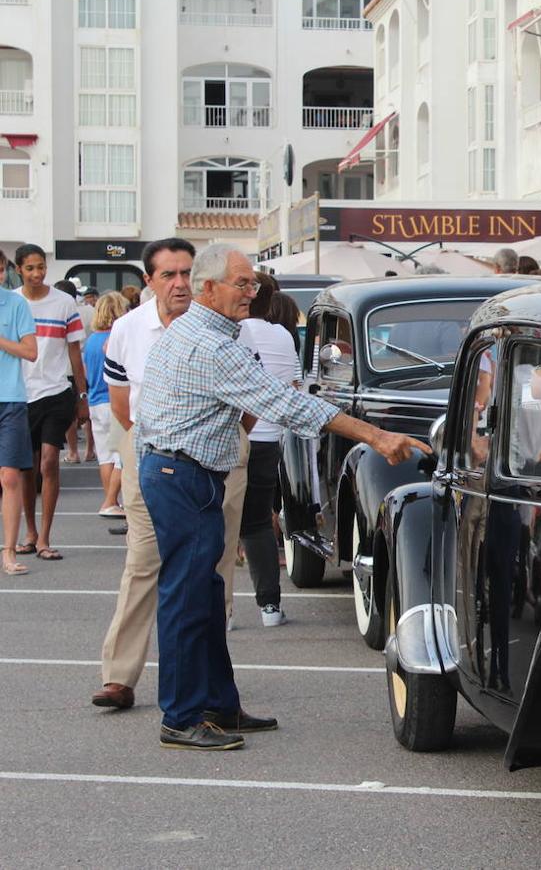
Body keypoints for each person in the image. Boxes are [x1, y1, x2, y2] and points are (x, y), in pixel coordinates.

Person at [134, 244, 426, 750]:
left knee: (203, 597)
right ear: (209, 289)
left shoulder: (205, 333)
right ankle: (181, 717)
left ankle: (217, 706)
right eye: (242, 284)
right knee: (188, 600)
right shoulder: (211, 345)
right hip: (182, 476)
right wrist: (376, 436)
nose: (253, 293)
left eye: (254, 284)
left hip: (180, 472)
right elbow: (285, 403)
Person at [91, 238, 248, 711]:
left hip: (218, 455)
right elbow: (120, 401)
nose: (179, 283)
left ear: (201, 279)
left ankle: (205, 684)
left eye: (186, 273)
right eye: (168, 275)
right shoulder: (128, 329)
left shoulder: (234, 323)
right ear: (150, 281)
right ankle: (120, 676)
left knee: (214, 567)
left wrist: (221, 439)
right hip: (151, 452)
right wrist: (159, 444)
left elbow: (254, 397)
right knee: (143, 561)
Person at [235, 273, 299, 628]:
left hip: (233, 436)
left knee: (222, 523)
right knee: (257, 522)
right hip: (269, 435)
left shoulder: (231, 331)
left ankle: (223, 609)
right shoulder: (282, 335)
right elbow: (292, 386)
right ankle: (270, 607)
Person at [16, 244, 87, 562]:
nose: (37, 273)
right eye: (30, 268)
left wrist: (82, 396)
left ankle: (44, 538)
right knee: (26, 468)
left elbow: (75, 353)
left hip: (57, 391)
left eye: (41, 266)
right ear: (18, 270)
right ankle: (29, 532)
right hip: (20, 394)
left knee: (48, 462)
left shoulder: (64, 302)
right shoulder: (12, 303)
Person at [0, 282, 37, 575]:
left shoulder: (15, 304)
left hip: (11, 399)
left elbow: (30, 351)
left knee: (10, 477)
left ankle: (9, 552)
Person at [84, 291, 130, 518]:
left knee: (105, 456)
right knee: (123, 456)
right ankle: (112, 500)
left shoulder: (91, 340)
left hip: (94, 401)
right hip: (113, 401)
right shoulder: (117, 338)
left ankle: (110, 500)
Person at [55, 280, 97, 463]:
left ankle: (73, 452)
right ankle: (90, 450)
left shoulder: (59, 310)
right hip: (87, 365)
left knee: (69, 413)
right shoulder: (89, 311)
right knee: (88, 411)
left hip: (64, 367)